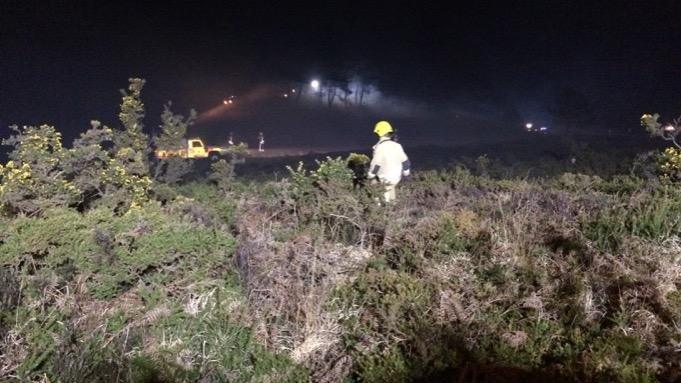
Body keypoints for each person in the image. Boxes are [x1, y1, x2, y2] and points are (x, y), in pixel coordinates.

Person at [367, 121, 411, 203]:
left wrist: (371, 176)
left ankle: (379, 206)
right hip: (396, 177)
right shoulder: (398, 146)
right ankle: (392, 204)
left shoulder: (380, 147)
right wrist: (406, 174)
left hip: (385, 178)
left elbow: (376, 165)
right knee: (391, 188)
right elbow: (405, 161)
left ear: (379, 133)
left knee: (374, 184)